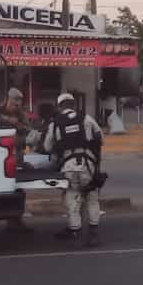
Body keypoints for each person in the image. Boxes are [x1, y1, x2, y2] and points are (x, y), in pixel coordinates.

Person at [43, 92, 105, 246]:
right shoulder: (86, 118)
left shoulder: (55, 123)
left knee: (72, 196)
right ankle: (93, 234)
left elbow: (47, 147)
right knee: (91, 196)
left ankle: (74, 230)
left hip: (69, 166)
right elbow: (100, 138)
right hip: (88, 164)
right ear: (73, 105)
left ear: (59, 106)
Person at [0, 88, 34, 234]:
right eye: (14, 102)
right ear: (8, 100)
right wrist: (7, 120)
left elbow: (28, 130)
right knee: (5, 190)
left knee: (18, 190)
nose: (16, 106)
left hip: (16, 158)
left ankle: (15, 221)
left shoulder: (20, 114)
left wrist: (20, 127)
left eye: (19, 103)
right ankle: (11, 220)